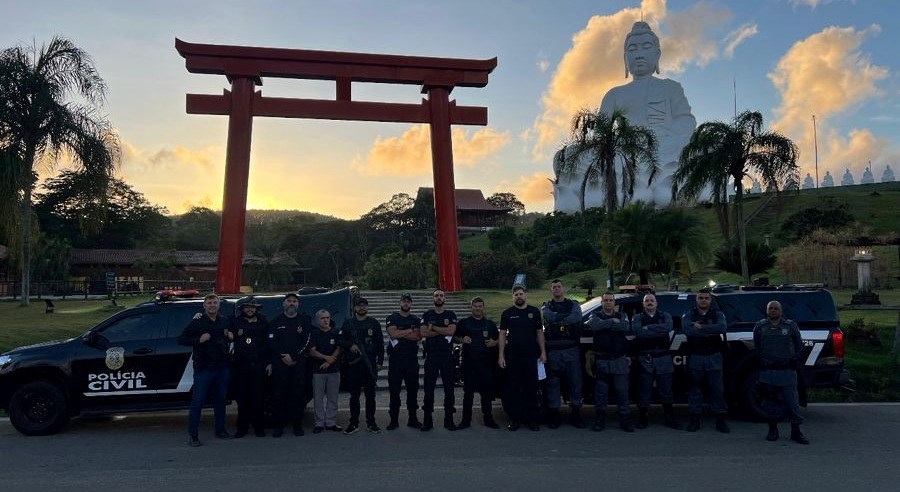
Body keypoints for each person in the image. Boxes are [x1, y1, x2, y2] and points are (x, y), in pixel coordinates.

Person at [552, 21, 696, 211]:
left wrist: (661, 133)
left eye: (646, 47)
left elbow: (687, 122)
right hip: (624, 153)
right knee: (565, 157)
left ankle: (629, 190)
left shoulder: (670, 88)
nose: (639, 53)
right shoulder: (614, 94)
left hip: (664, 147)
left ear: (657, 54)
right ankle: (644, 188)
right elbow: (601, 137)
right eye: (632, 48)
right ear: (625, 57)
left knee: (708, 145)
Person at [178, 293, 233, 447]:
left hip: (221, 368)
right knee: (198, 402)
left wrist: (230, 335)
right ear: (204, 305)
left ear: (219, 305)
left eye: (215, 303)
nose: (212, 305)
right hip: (204, 369)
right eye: (209, 303)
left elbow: (233, 335)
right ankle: (193, 435)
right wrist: (198, 340)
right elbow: (181, 339)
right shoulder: (198, 322)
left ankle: (220, 430)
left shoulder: (225, 321)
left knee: (220, 401)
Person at [754, 301, 810, 444]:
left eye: (776, 308)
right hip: (768, 372)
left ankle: (796, 432)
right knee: (770, 403)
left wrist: (793, 360)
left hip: (786, 372)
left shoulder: (790, 326)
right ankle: (773, 430)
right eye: (770, 308)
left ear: (781, 310)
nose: (773, 311)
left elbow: (799, 345)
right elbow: (757, 346)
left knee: (792, 403)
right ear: (766, 311)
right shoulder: (760, 326)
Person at [498, 285, 546, 432]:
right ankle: (515, 420)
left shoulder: (534, 312)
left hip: (531, 356)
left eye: (521, 294)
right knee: (514, 389)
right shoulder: (507, 314)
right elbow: (502, 334)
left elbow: (539, 332)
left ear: (525, 295)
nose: (519, 296)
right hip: (513, 357)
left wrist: (543, 351)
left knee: (531, 389)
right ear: (513, 297)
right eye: (516, 294)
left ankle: (533, 420)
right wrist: (501, 355)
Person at [682, 289, 730, 433]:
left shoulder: (718, 314)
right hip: (696, 356)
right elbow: (687, 330)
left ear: (710, 300)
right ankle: (695, 421)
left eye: (706, 298)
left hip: (714, 356)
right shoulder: (689, 314)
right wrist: (710, 331)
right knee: (695, 390)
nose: (703, 300)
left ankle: (720, 421)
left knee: (717, 390)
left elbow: (722, 328)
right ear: (696, 300)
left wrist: (701, 327)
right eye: (700, 298)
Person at [584, 293, 634, 432]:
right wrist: (612, 322)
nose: (608, 303)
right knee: (601, 394)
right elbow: (595, 325)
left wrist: (605, 324)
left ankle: (625, 420)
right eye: (605, 300)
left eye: (610, 300)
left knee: (622, 392)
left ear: (614, 302)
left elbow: (624, 326)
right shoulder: (595, 315)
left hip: (619, 360)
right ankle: (600, 420)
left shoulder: (622, 316)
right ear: (602, 302)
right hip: (602, 360)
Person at [540, 279, 585, 429]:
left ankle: (576, 414)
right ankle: (554, 415)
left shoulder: (574, 305)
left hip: (571, 350)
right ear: (551, 290)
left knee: (575, 383)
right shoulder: (546, 306)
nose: (557, 289)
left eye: (559, 287)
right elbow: (548, 317)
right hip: (554, 352)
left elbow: (576, 318)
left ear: (563, 289)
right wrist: (565, 320)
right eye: (554, 287)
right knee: (553, 385)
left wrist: (558, 320)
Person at [633, 293, 681, 430]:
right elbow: (638, 332)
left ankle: (669, 417)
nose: (649, 302)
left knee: (666, 389)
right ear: (643, 304)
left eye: (651, 300)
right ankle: (643, 418)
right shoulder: (638, 318)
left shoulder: (665, 315)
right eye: (646, 301)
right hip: (645, 358)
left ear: (656, 303)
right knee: (644, 389)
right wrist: (657, 331)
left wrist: (648, 328)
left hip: (663, 357)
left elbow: (668, 328)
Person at [269, 292, 312, 438]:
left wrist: (293, 357)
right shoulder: (276, 321)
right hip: (280, 365)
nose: (292, 303)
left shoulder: (304, 322)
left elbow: (307, 342)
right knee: (278, 395)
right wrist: (284, 356)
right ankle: (278, 426)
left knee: (298, 396)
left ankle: (297, 425)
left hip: (298, 365)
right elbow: (271, 341)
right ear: (283, 304)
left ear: (298, 304)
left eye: (294, 301)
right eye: (289, 301)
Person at [454, 296, 500, 430]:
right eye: (475, 306)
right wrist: (462, 339)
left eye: (480, 306)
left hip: (486, 364)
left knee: (486, 394)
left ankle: (488, 419)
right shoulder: (464, 323)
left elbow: (499, 340)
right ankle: (465, 421)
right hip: (469, 365)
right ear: (471, 307)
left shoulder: (489, 324)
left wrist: (494, 343)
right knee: (468, 394)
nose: (478, 308)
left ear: (483, 308)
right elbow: (455, 338)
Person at [339, 297, 385, 434]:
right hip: (353, 365)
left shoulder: (374, 323)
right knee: (354, 396)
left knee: (370, 396)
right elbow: (340, 340)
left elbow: (380, 344)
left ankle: (371, 422)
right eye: (359, 306)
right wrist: (350, 345)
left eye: (364, 305)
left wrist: (380, 362)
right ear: (355, 308)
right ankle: (353, 423)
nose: (362, 308)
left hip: (369, 363)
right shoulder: (348, 323)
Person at [228, 296, 269, 438]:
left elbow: (268, 344)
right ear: (242, 309)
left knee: (258, 398)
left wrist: (268, 363)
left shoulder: (263, 321)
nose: (250, 309)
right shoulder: (235, 322)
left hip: (258, 365)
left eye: (252, 307)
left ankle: (259, 427)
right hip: (240, 365)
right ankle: (242, 428)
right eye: (247, 307)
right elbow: (226, 331)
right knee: (242, 398)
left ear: (256, 308)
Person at [420, 289, 458, 431]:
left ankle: (449, 420)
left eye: (441, 295)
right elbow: (423, 332)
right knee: (429, 389)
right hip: (432, 356)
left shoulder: (450, 314)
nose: (439, 298)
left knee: (449, 389)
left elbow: (451, 332)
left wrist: (434, 328)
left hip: (447, 356)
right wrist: (443, 330)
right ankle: (427, 420)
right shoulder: (427, 314)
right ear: (433, 298)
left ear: (445, 298)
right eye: (436, 296)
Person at [386, 293, 423, 430]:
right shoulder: (392, 317)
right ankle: (393, 420)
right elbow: (393, 334)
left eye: (408, 301)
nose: (406, 303)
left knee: (412, 390)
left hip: (411, 360)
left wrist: (402, 332)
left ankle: (413, 419)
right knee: (394, 391)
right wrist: (410, 330)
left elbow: (418, 337)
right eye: (404, 301)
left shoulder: (416, 319)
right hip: (396, 360)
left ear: (411, 304)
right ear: (400, 303)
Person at [309, 309, 343, 433]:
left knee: (332, 398)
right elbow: (312, 351)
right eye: (322, 318)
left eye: (327, 318)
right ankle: (319, 423)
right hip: (318, 371)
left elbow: (339, 348)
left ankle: (331, 422)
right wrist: (325, 358)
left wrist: (329, 361)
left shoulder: (336, 332)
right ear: (317, 320)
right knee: (318, 399)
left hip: (334, 370)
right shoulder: (313, 333)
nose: (325, 320)